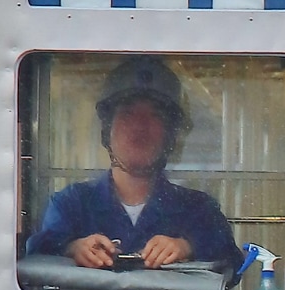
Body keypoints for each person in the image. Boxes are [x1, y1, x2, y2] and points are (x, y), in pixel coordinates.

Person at [26, 56, 243, 274]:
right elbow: (35, 258)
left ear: (170, 134)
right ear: (107, 129)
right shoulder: (71, 205)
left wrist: (188, 247)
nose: (140, 126)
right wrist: (72, 249)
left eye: (155, 115)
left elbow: (232, 264)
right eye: (127, 114)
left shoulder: (199, 210)